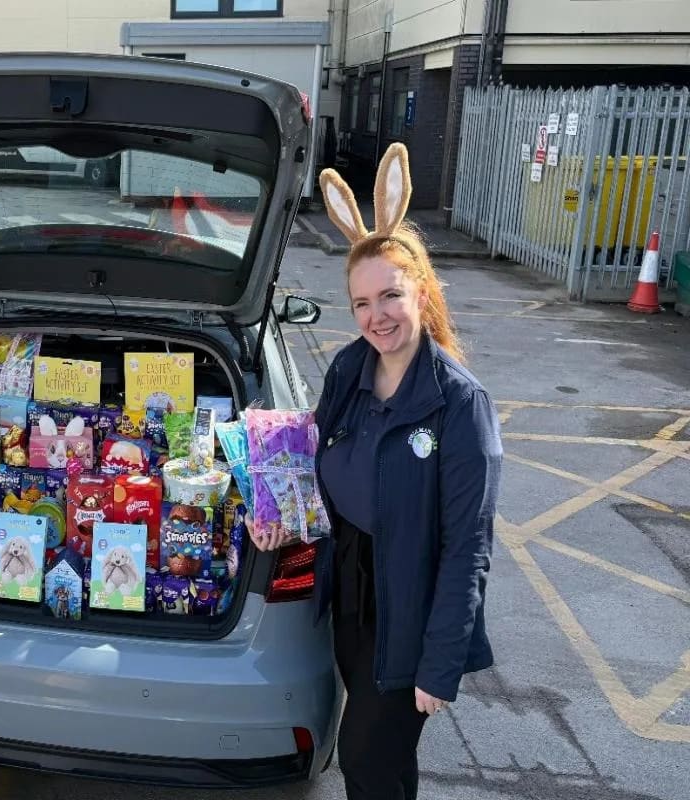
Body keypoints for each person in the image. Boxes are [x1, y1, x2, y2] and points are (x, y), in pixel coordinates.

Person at [252, 144, 502, 800]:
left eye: (390, 295)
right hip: (353, 597)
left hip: (411, 614)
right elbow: (312, 465)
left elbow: (469, 548)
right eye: (362, 303)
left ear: (420, 290)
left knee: (364, 760)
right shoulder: (347, 370)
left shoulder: (459, 403)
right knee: (384, 762)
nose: (376, 316)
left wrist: (440, 665)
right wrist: (279, 519)